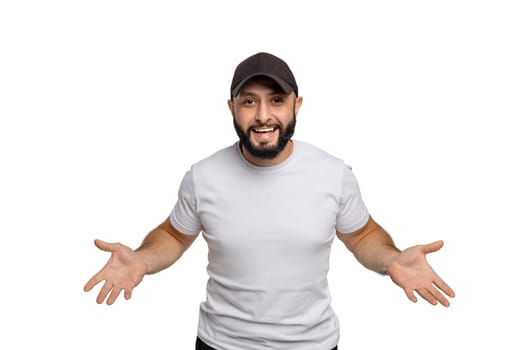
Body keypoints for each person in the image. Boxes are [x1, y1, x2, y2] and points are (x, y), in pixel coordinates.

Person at [84, 52, 455, 350]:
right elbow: (174, 235)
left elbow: (361, 235)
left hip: (312, 344)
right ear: (232, 108)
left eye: (276, 100)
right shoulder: (204, 175)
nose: (263, 116)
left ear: (297, 105)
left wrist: (391, 259)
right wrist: (142, 259)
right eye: (250, 101)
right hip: (221, 344)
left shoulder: (333, 173)